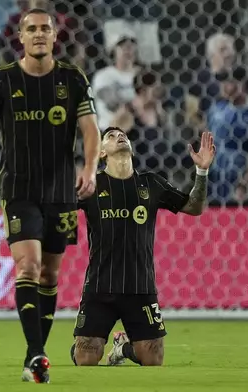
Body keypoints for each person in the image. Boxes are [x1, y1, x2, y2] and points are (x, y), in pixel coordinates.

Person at [0, 8, 101, 384]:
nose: (38, 35)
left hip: (61, 192)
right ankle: (36, 353)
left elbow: (90, 129)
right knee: (28, 267)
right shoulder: (1, 80)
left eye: (44, 29)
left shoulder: (72, 79)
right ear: (20, 37)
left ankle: (35, 355)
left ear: (54, 36)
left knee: (50, 275)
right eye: (31, 29)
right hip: (18, 189)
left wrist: (91, 167)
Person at [70, 128, 214, 367]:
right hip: (100, 286)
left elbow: (194, 207)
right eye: (111, 136)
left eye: (123, 134)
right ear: (102, 152)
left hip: (140, 286)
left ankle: (122, 348)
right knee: (87, 357)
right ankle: (81, 343)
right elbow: (61, 208)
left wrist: (202, 171)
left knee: (153, 358)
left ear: (132, 149)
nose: (119, 136)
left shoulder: (151, 183)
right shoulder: (91, 185)